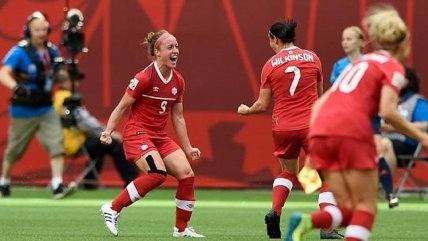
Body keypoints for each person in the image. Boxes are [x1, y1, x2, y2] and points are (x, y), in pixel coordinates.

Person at [285, 5, 428, 241]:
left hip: (322, 132)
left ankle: (307, 221)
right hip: (351, 133)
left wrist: (314, 142)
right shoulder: (394, 67)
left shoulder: (358, 64)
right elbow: (388, 111)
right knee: (366, 209)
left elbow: (320, 105)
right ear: (404, 45)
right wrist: (422, 137)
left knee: (351, 208)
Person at [237, 20, 342, 239]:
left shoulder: (270, 65)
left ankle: (275, 211)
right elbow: (319, 95)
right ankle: (326, 227)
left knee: (287, 172)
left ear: (275, 39)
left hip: (283, 127)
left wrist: (246, 110)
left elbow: (262, 105)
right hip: (311, 125)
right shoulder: (312, 58)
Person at [99, 30, 204, 238]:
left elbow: (179, 117)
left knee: (187, 175)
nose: (176, 51)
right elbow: (121, 107)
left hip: (158, 137)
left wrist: (188, 147)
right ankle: (112, 208)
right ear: (157, 52)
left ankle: (181, 229)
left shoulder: (178, 81)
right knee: (157, 174)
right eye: (170, 47)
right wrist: (108, 131)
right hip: (137, 134)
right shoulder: (144, 78)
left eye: (177, 47)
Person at [0, 11, 76, 199]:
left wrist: (68, 73)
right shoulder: (19, 51)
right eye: (37, 29)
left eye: (44, 29)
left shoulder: (52, 51)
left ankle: (57, 185)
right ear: (29, 31)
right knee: (14, 150)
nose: (41, 33)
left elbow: (55, 74)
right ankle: (4, 182)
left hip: (45, 107)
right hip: (23, 109)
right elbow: (3, 73)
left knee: (56, 143)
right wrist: (16, 87)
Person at [331, 25, 399, 208]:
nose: (345, 42)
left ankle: (390, 193)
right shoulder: (339, 66)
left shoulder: (371, 63)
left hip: (369, 116)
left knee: (378, 150)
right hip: (347, 118)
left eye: (350, 39)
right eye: (343, 39)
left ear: (361, 41)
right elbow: (334, 94)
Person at [53, 74, 139, 189]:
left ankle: (90, 181)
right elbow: (86, 123)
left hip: (64, 141)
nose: (77, 84)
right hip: (74, 142)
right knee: (113, 143)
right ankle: (131, 181)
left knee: (100, 146)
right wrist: (108, 133)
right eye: (74, 81)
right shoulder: (68, 99)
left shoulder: (57, 97)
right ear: (65, 82)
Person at [381, 66, 428, 166]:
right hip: (381, 138)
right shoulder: (386, 100)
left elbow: (426, 125)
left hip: (406, 145)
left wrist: (396, 127)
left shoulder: (417, 102)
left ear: (407, 81)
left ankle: (385, 182)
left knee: (384, 144)